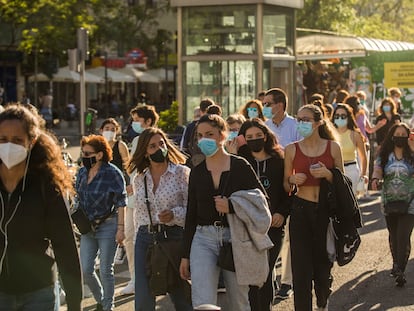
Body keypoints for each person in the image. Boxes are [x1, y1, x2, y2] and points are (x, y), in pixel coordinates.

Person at [179, 114, 272, 310]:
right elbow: (191, 215)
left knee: (239, 301)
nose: (204, 139)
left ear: (223, 135)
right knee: (202, 302)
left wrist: (232, 206)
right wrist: (185, 255)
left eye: (210, 134)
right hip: (203, 239)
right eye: (200, 135)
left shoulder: (240, 166)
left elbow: (262, 203)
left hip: (235, 238)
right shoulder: (197, 171)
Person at [0, 105, 82, 310]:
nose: (9, 146)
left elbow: (65, 244)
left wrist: (74, 300)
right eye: (2, 140)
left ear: (32, 141)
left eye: (18, 140)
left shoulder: (47, 186)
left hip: (39, 293)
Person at [284, 104, 343, 311]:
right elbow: (285, 184)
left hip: (325, 213)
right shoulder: (291, 149)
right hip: (300, 210)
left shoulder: (333, 147)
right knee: (301, 271)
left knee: (322, 268)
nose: (301, 123)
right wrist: (292, 178)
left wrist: (328, 174)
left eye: (306, 119)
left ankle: (323, 301)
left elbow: (343, 184)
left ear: (318, 122)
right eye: (298, 119)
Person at [127, 127, 192, 310]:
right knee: (143, 295)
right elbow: (138, 214)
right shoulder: (140, 178)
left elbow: (192, 210)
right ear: (145, 152)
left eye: (161, 144)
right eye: (152, 146)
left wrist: (174, 215)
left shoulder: (181, 173)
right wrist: (137, 238)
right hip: (145, 238)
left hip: (173, 236)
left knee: (180, 294)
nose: (158, 149)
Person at [238, 118, 288, 311]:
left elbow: (289, 192)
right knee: (251, 277)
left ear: (266, 136)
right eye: (249, 137)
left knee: (265, 273)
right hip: (246, 228)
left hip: (273, 227)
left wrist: (282, 213)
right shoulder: (239, 162)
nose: (255, 140)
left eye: (258, 135)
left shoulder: (279, 161)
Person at [76, 135, 127, 311]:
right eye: (83, 152)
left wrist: (120, 229)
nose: (84, 156)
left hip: (108, 224)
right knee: (86, 270)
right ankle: (101, 299)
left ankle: (108, 306)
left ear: (99, 155)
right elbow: (78, 197)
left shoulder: (113, 173)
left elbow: (121, 202)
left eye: (88, 153)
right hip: (87, 228)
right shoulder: (82, 172)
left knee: (106, 269)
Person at [263, 87, 301, 300]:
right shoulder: (264, 127)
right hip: (271, 189)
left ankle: (287, 281)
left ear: (280, 105)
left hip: (293, 186)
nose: (265, 107)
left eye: (268, 103)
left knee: (290, 236)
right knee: (273, 234)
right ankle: (270, 278)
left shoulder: (295, 126)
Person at [371, 123, 414, 287]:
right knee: (394, 235)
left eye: (404, 134)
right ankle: (397, 262)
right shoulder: (384, 155)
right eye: (398, 134)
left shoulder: (412, 154)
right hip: (390, 201)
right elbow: (377, 170)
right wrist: (375, 179)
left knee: (403, 235)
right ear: (392, 136)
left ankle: (400, 269)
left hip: (410, 202)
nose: (401, 137)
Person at [99, 118, 133, 294]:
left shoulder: (120, 146)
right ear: (101, 130)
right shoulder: (97, 146)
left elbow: (128, 166)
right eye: (107, 128)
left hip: (118, 189)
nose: (109, 131)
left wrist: (130, 184)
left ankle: (118, 250)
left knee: (119, 220)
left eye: (113, 128)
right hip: (102, 191)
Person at [331, 104, 368, 195]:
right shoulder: (329, 134)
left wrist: (363, 175)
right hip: (334, 171)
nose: (340, 118)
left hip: (351, 170)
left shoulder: (354, 135)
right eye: (337, 116)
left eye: (343, 116)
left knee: (350, 203)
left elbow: (363, 157)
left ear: (348, 117)